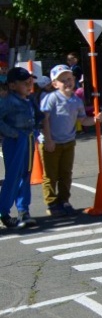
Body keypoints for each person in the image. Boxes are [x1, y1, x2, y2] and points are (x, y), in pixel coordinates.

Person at [40, 65, 100, 217]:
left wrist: (94, 120)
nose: (67, 82)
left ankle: (64, 200)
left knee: (66, 173)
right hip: (51, 143)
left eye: (69, 79)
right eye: (62, 80)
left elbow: (82, 119)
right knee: (51, 175)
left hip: (68, 142)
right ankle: (51, 203)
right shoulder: (51, 98)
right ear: (55, 84)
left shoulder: (76, 101)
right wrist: (48, 140)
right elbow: (44, 120)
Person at [0, 67, 39, 228]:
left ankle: (23, 210)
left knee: (26, 174)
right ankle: (3, 211)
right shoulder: (8, 101)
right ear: (12, 85)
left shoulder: (29, 100)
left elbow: (37, 117)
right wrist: (13, 133)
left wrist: (35, 132)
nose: (29, 85)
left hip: (27, 139)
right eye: (24, 82)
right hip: (14, 141)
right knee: (14, 176)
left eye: (30, 81)